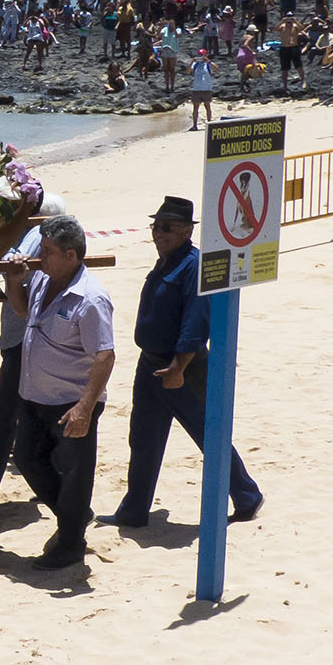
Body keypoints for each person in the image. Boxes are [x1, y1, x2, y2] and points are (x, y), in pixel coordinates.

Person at [103, 198, 264, 529]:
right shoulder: (165, 261)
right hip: (149, 366)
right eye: (155, 227)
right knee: (143, 438)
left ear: (186, 231)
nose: (157, 234)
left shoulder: (193, 265)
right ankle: (134, 510)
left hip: (181, 368)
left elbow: (195, 320)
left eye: (166, 228)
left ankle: (247, 496)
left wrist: (178, 366)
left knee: (208, 435)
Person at [2, 216, 115, 571]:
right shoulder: (41, 281)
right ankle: (74, 517)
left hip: (71, 403)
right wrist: (14, 282)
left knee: (75, 474)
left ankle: (70, 544)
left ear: (70, 255)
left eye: (47, 252)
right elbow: (22, 312)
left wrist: (85, 407)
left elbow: (105, 355)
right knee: (27, 459)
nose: (40, 258)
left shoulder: (91, 298)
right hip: (35, 396)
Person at [0, 193, 66, 518]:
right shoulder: (54, 238)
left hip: (22, 340)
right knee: (37, 417)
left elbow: (9, 259)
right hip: (33, 339)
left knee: (3, 420)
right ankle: (52, 485)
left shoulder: (37, 235)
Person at [187, 49, 216, 131]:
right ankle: (194, 125)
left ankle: (210, 123)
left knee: (207, 106)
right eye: (199, 56)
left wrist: (208, 61)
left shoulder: (208, 64)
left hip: (206, 88)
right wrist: (192, 62)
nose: (201, 58)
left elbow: (216, 69)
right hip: (196, 89)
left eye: (202, 55)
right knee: (195, 108)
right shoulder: (195, 64)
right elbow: (188, 71)